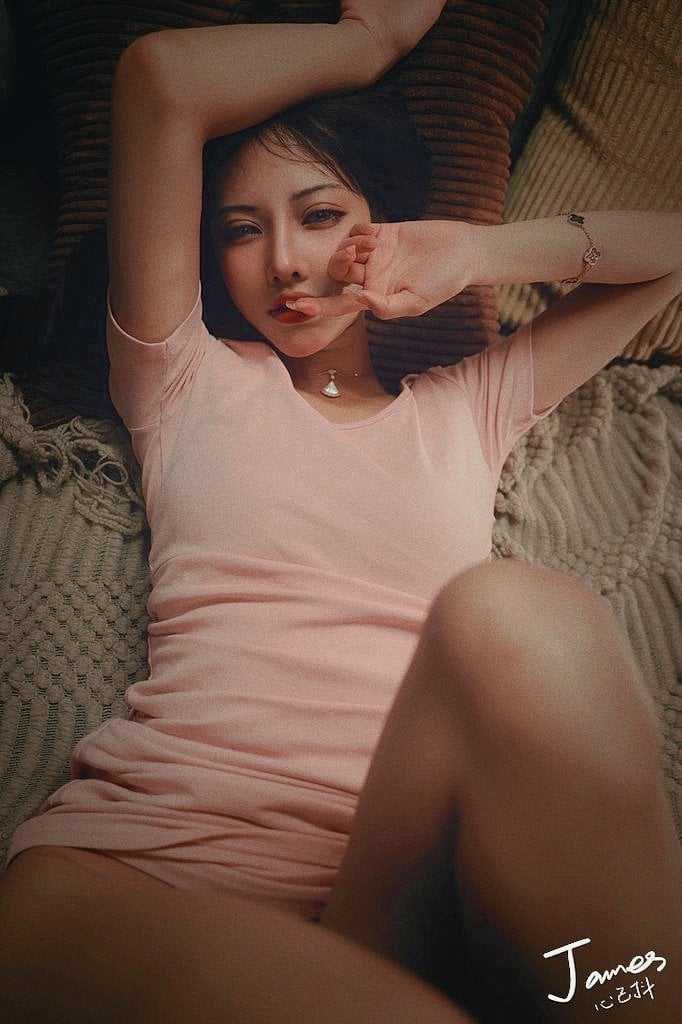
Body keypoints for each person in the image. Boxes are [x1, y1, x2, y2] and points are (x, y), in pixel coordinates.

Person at [2, 4, 680, 1023]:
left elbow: (672, 251)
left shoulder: (468, 409)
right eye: (241, 230)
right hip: (147, 874)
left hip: (379, 895)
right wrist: (369, 43)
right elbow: (160, 82)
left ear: (382, 223)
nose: (283, 260)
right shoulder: (182, 377)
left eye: (319, 216)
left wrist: (476, 254)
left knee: (516, 609)